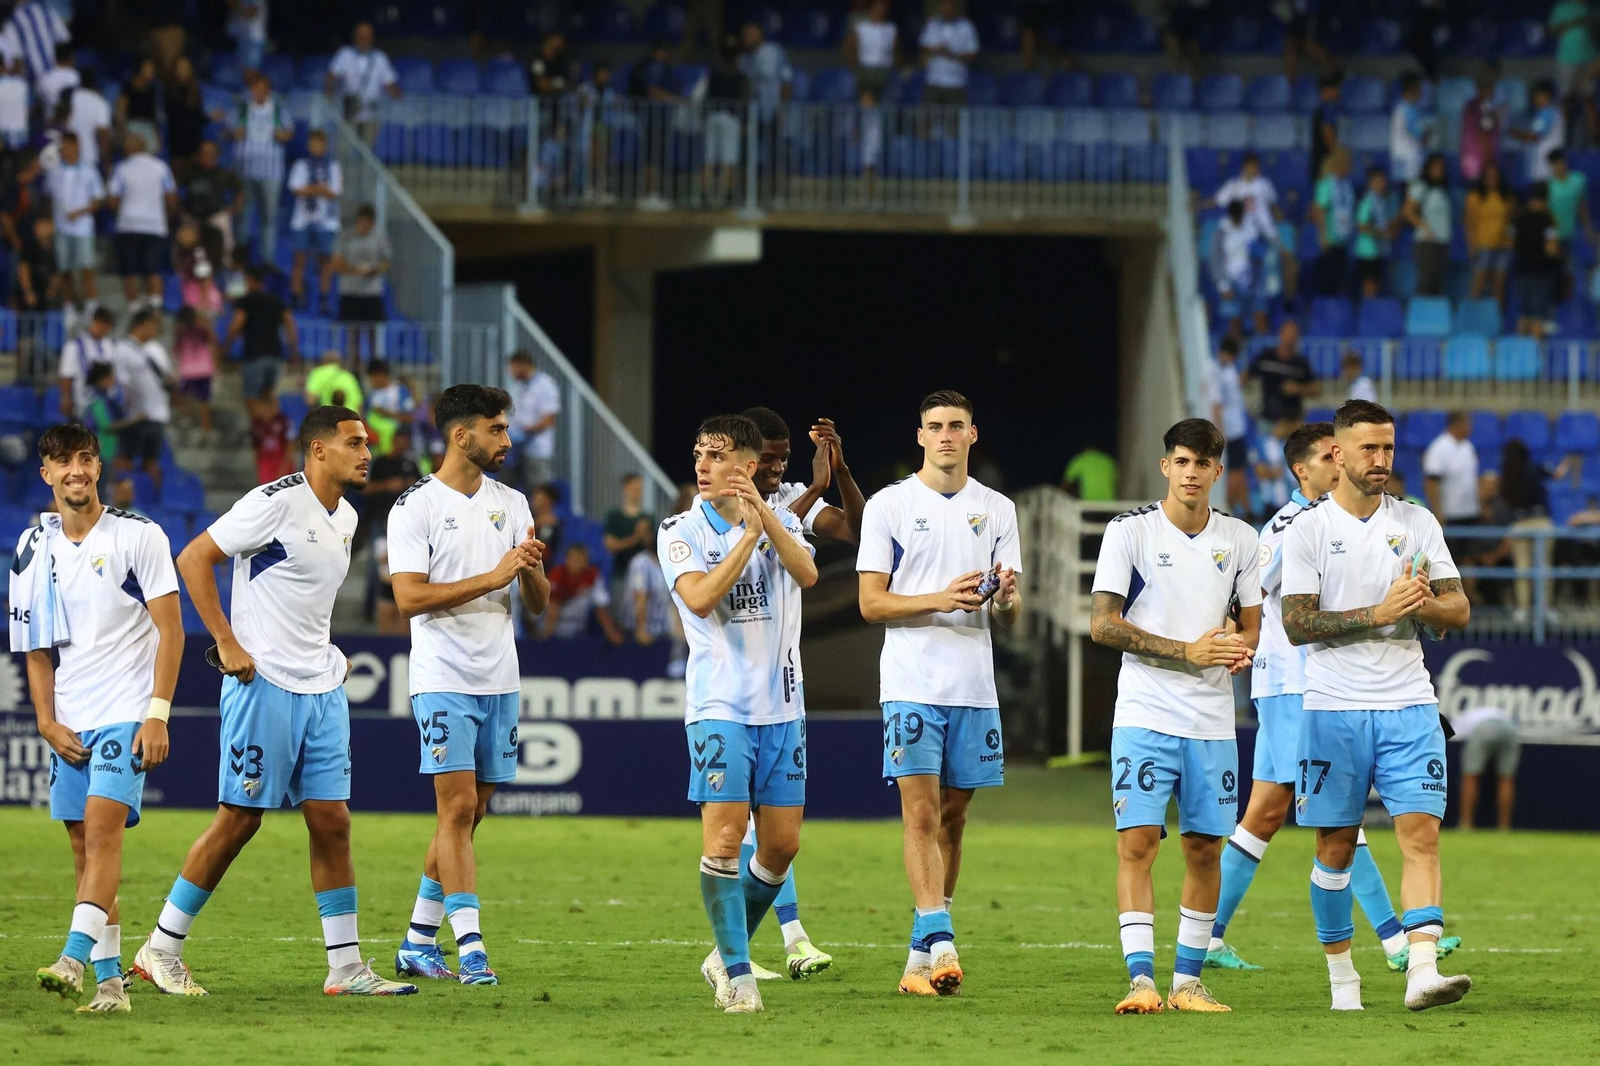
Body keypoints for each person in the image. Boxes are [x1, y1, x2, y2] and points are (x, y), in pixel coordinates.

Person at [130, 406, 418, 998]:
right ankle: (158, 949)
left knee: (332, 821)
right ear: (318, 449)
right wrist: (227, 641)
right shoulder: (273, 502)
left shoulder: (349, 516)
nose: (368, 453)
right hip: (264, 685)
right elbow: (194, 559)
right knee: (240, 820)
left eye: (366, 444)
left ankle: (345, 967)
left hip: (322, 686)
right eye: (355, 443)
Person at [1206, 422, 1457, 974]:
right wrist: (1229, 642)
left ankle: (1208, 932)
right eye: (1327, 456)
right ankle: (1395, 938)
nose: (1338, 464)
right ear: (1306, 468)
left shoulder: (1388, 520)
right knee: (1336, 815)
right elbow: (1244, 591)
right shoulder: (1292, 526)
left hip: (1303, 683)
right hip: (1298, 682)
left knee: (1266, 814)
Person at [1280, 399, 1472, 1012]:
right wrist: (1378, 613)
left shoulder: (1417, 522)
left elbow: (1459, 608)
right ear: (1337, 453)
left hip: (1409, 702)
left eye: (1389, 448)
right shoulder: (1309, 529)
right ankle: (1343, 981)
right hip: (1333, 706)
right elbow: (1297, 624)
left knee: (1422, 836)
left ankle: (1421, 972)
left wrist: (1418, 605)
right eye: (1370, 448)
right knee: (1335, 847)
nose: (1382, 459)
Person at [1090, 417, 1260, 1015]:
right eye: (1180, 462)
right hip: (1144, 712)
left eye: (1202, 464)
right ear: (1166, 466)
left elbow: (1252, 623)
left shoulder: (1242, 539)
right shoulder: (1129, 532)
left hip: (1211, 720)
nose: (1191, 474)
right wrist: (1184, 650)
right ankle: (1141, 980)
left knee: (1205, 850)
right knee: (1137, 843)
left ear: (1218, 471)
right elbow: (1102, 624)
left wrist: (1239, 645)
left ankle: (1187, 982)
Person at [857, 391, 1020, 998]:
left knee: (954, 819)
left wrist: (1005, 600)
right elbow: (871, 603)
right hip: (912, 684)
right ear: (919, 435)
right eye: (934, 427)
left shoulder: (998, 509)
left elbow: (1009, 613)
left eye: (956, 426)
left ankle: (917, 962)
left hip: (974, 687)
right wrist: (939, 598)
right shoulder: (890, 506)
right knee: (920, 813)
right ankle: (943, 936)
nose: (945, 436)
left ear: (973, 434)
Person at [17, 422, 182, 1014]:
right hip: (71, 719)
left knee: (104, 831)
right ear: (47, 474)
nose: (76, 471)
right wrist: (45, 721)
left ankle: (71, 957)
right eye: (62, 462)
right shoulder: (31, 547)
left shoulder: (140, 536)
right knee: (85, 850)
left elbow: (171, 629)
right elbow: (35, 649)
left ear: (98, 466)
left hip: (126, 713)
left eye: (85, 458)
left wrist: (156, 715)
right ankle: (112, 986)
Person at [387, 384, 549, 986]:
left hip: (499, 676)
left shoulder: (513, 502)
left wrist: (530, 571)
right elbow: (408, 598)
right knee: (454, 807)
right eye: (497, 429)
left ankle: (415, 941)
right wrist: (493, 576)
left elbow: (537, 604)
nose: (507, 439)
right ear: (462, 435)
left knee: (473, 811)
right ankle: (472, 946)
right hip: (443, 675)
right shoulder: (414, 508)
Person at [660, 412, 818, 1014]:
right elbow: (699, 599)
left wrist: (766, 522)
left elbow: (806, 571)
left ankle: (723, 952)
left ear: (748, 468)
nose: (702, 465)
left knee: (780, 848)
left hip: (783, 706)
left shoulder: (785, 520)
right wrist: (747, 537)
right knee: (726, 839)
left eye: (717, 455)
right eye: (699, 453)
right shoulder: (679, 529)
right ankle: (738, 976)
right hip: (719, 704)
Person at [744, 406, 865, 544]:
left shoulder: (793, 495)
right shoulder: (723, 500)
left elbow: (858, 534)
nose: (778, 468)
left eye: (784, 458)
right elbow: (763, 548)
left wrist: (841, 471)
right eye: (766, 459)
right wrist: (816, 488)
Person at [107, 132, 177, 313]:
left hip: (128, 225)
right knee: (154, 270)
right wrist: (164, 216)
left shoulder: (121, 168)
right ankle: (155, 307)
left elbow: (113, 201)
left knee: (129, 271)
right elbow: (171, 198)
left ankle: (133, 309)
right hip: (155, 226)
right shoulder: (161, 167)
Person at [232, 73, 293, 265]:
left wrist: (278, 133)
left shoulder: (277, 110)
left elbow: (288, 133)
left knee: (269, 216)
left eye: (261, 89)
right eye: (254, 88)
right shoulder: (243, 109)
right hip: (245, 170)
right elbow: (231, 131)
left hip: (271, 171)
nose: (257, 92)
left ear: (268, 91)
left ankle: (267, 259)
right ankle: (240, 255)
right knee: (243, 212)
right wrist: (237, 132)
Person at [111, 309, 173, 489]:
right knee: (126, 459)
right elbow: (121, 383)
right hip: (136, 417)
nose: (156, 331)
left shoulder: (150, 351)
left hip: (157, 416)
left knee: (151, 461)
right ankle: (112, 494)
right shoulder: (122, 349)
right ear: (143, 325)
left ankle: (155, 501)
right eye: (154, 326)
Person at [46, 131, 103, 326]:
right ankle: (69, 307)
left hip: (83, 228)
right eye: (63, 147)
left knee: (86, 269)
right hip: (61, 228)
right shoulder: (55, 171)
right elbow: (48, 198)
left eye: (68, 146)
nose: (65, 150)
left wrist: (80, 212)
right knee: (64, 270)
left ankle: (91, 306)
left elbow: (97, 201)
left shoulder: (89, 171)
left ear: (77, 146)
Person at [286, 129, 342, 312]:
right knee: (299, 259)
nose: (316, 147)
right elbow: (297, 190)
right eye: (313, 143)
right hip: (302, 219)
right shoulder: (301, 165)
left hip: (326, 220)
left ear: (325, 145)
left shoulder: (334, 166)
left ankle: (324, 298)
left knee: (325, 261)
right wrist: (319, 188)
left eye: (320, 143)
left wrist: (311, 189)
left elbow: (333, 193)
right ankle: (295, 295)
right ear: (309, 145)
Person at [225, 265, 299, 400]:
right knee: (268, 396)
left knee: (251, 398)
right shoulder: (276, 301)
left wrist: (226, 347)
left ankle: (260, 421)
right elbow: (291, 326)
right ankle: (275, 421)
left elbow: (236, 325)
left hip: (254, 355)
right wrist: (294, 352)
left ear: (249, 280)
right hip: (275, 355)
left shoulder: (246, 301)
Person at [331, 204, 390, 361]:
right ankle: (354, 363)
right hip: (350, 290)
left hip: (371, 291)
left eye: (370, 223)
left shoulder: (379, 237)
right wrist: (355, 270)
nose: (366, 226)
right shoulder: (346, 236)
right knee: (353, 331)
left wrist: (374, 270)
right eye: (364, 222)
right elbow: (336, 263)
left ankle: (374, 362)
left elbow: (386, 262)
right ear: (359, 221)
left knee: (372, 330)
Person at [325, 21, 401, 141]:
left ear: (372, 37)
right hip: (349, 112)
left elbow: (391, 85)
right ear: (355, 36)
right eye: (360, 35)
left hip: (371, 114)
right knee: (343, 152)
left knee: (368, 153)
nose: (363, 38)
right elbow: (331, 77)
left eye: (366, 35)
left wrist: (402, 100)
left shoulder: (380, 58)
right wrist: (330, 94)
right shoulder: (345, 54)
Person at [1424, 412, 1481, 561]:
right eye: (1468, 423)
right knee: (1451, 563)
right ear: (1458, 423)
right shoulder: (1439, 448)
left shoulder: (1468, 447)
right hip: (1450, 516)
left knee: (1470, 560)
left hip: (1470, 513)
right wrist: (1438, 511)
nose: (1471, 427)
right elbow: (1431, 483)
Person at [1452, 705, 1520, 831]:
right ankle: (1504, 827)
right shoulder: (1498, 712)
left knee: (1470, 776)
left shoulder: (1462, 718)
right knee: (1506, 778)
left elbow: (1453, 737)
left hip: (1484, 728)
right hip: (1509, 728)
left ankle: (1466, 825)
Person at [179, 140, 242, 271]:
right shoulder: (190, 172)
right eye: (203, 154)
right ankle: (184, 270)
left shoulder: (223, 173)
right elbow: (173, 191)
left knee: (227, 244)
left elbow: (240, 191)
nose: (206, 157)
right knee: (183, 237)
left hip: (216, 215)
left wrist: (234, 209)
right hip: (193, 216)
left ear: (216, 155)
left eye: (210, 154)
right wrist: (181, 210)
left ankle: (226, 270)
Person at [542, 542, 624, 643]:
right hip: (554, 628)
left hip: (579, 630)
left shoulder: (592, 576)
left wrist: (611, 632)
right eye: (576, 559)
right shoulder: (557, 575)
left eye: (583, 559)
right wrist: (546, 638)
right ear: (567, 560)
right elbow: (553, 609)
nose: (579, 562)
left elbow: (601, 608)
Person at [504, 349, 560, 492]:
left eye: (513, 368)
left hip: (537, 448)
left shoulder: (545, 385)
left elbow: (549, 419)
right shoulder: (517, 386)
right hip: (516, 447)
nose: (511, 372)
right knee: (508, 486)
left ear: (523, 365)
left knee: (538, 490)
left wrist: (526, 431)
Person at [1512, 181, 1562, 338]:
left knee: (1524, 316)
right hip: (1540, 273)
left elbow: (1508, 242)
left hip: (1521, 272)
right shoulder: (1548, 220)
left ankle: (1520, 357)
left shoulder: (1518, 218)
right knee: (1537, 318)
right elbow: (1551, 249)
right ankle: (1535, 359)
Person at [1210, 199, 1265, 339]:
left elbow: (1258, 254)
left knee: (1260, 315)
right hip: (1231, 281)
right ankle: (1235, 352)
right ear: (1230, 216)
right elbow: (1215, 260)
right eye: (1235, 217)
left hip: (1251, 280)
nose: (1238, 220)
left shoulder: (1251, 229)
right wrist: (1223, 286)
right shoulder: (1221, 232)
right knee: (1234, 321)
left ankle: (1260, 350)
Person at [702, 38, 746, 205]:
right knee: (729, 158)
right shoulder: (740, 76)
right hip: (730, 118)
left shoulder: (714, 73)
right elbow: (743, 98)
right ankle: (727, 196)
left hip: (713, 117)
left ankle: (706, 195)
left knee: (709, 158)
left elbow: (706, 96)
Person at [1545, 149, 1593, 299]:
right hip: (1554, 235)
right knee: (1555, 269)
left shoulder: (1578, 180)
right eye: (1555, 164)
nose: (1558, 167)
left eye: (1560, 163)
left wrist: (1588, 229)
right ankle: (1556, 301)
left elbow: (1582, 206)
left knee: (1573, 268)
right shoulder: (1549, 186)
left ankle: (1575, 300)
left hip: (1572, 232)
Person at [1210, 337, 1251, 515]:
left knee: (1238, 469)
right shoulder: (1217, 372)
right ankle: (1235, 507)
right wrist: (1220, 433)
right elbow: (1217, 405)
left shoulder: (1229, 370)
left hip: (1237, 427)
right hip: (1230, 430)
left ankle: (1238, 506)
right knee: (1235, 471)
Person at [1404, 153, 1452, 297]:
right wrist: (1424, 227)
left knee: (1437, 284)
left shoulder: (1442, 189)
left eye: (1442, 168)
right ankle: (1421, 317)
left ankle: (1435, 317)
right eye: (1436, 167)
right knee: (1426, 283)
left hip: (1442, 241)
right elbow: (1408, 211)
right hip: (1426, 242)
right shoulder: (1420, 186)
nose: (1439, 170)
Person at [1465, 160, 1513, 303]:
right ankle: (1471, 315)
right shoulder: (1475, 197)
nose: (1492, 179)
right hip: (1483, 245)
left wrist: (1511, 241)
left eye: (1495, 176)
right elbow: (1470, 223)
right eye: (1489, 176)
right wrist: (1472, 245)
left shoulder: (1506, 198)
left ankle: (1498, 320)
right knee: (1479, 284)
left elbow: (1511, 222)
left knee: (1499, 285)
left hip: (1503, 246)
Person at [1254, 319, 1318, 425]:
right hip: (1267, 421)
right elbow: (1247, 375)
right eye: (1287, 333)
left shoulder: (1301, 363)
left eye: (1293, 334)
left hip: (1291, 422)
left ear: (1297, 338)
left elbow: (1315, 390)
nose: (1289, 338)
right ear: (1280, 334)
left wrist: (1298, 388)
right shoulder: (1266, 357)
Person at [56, 306, 116, 417]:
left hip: (105, 403)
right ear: (96, 322)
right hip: (83, 403)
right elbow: (66, 376)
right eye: (104, 325)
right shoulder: (74, 346)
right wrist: (66, 399)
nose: (106, 330)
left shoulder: (109, 345)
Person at [1311, 149, 1354, 296]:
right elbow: (1320, 211)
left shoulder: (1347, 185)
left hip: (1343, 239)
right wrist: (1323, 236)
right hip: (1329, 239)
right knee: (1329, 280)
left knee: (1340, 280)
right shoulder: (1326, 184)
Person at [919, 0, 978, 106]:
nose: (945, 8)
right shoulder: (932, 24)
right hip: (934, 81)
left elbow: (973, 54)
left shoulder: (966, 26)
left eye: (948, 5)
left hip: (956, 83)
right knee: (926, 117)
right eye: (943, 5)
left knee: (953, 120)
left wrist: (951, 54)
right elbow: (923, 47)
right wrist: (937, 50)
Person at [0, 0, 69, 85]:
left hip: (35, 78)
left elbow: (17, 57)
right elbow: (64, 38)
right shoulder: (46, 11)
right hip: (58, 73)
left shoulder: (13, 20)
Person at [173, 305, 215, 436]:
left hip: (188, 369)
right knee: (204, 400)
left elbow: (177, 348)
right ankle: (205, 427)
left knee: (183, 394)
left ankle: (186, 417)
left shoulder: (180, 330)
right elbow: (212, 341)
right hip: (204, 368)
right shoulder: (203, 327)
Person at [1353, 166, 1394, 298]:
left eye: (1383, 181)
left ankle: (1372, 308)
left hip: (1379, 250)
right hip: (1368, 250)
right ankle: (1367, 309)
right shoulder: (1368, 201)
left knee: (1376, 283)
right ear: (1371, 183)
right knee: (1369, 284)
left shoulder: (1381, 201)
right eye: (1378, 182)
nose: (1382, 185)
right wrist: (1381, 233)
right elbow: (1361, 226)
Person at [1459, 64, 1503, 184]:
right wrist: (1489, 163)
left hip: (1469, 163)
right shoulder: (1485, 107)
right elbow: (1484, 135)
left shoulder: (1470, 105)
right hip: (1482, 165)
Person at [1513, 80, 1564, 184]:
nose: (1534, 99)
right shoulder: (1546, 113)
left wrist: (1512, 132)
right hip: (1543, 166)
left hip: (1545, 167)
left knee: (1541, 197)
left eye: (1536, 95)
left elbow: (1533, 136)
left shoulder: (1548, 113)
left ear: (1545, 95)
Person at [844, 0, 897, 100]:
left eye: (883, 8)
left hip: (885, 69)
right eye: (877, 8)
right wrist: (852, 64)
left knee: (885, 98)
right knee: (866, 99)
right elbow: (847, 46)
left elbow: (897, 51)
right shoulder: (862, 27)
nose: (880, 11)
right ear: (871, 10)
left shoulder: (891, 28)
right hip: (866, 69)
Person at [603, 473, 654, 576]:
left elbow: (653, 547)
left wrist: (645, 534)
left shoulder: (648, 518)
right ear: (625, 488)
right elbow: (610, 545)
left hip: (644, 574)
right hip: (621, 573)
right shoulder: (614, 516)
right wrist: (636, 537)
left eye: (639, 488)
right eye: (633, 487)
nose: (637, 491)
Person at [1549, 0, 1596, 111]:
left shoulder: (1593, 8)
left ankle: (1594, 128)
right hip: (1567, 58)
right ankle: (1562, 127)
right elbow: (1552, 30)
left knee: (1588, 98)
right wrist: (1575, 22)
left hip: (1589, 59)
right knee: (1565, 97)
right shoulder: (1562, 7)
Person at [164, 57, 208, 169]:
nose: (183, 71)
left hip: (194, 139)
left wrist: (210, 118)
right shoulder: (170, 90)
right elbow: (173, 115)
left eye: (186, 68)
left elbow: (198, 116)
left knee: (193, 174)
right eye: (180, 68)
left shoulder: (196, 90)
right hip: (177, 140)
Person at [66, 69, 112, 174]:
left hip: (66, 155)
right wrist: (107, 162)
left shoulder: (69, 97)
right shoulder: (100, 102)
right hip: (89, 158)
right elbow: (103, 134)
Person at [15, 213, 61, 312]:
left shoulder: (55, 249)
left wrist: (51, 291)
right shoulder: (29, 247)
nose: (39, 228)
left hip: (46, 296)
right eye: (38, 225)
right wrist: (28, 292)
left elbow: (56, 272)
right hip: (31, 294)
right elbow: (23, 270)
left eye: (44, 225)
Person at [1389, 73, 1429, 185]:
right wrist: (1424, 136)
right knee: (1407, 192)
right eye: (1418, 88)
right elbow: (1416, 134)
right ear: (1411, 89)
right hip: (1407, 161)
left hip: (1408, 159)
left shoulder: (1409, 108)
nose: (1421, 92)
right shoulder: (1404, 110)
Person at [247, 391, 291, 484]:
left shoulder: (283, 421)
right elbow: (255, 447)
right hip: (265, 461)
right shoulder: (256, 424)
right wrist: (258, 467)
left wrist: (285, 464)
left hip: (281, 458)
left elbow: (290, 444)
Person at [116, 57, 160, 151]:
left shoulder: (152, 89)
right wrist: (124, 135)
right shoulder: (128, 88)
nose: (151, 73)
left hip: (148, 128)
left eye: (152, 70)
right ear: (140, 70)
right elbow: (120, 112)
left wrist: (157, 134)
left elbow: (153, 115)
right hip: (132, 126)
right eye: (148, 70)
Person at [1309, 74, 1341, 188]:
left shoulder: (1321, 109)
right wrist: (1336, 155)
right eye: (1334, 89)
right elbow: (1327, 130)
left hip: (1319, 160)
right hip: (1324, 162)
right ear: (1325, 91)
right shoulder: (1328, 108)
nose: (1337, 92)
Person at [36, 42, 78, 123]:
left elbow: (39, 104)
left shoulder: (44, 79)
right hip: (71, 124)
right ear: (71, 58)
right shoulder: (76, 77)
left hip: (51, 124)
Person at [228, 0, 268, 74]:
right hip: (241, 38)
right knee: (242, 71)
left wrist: (234, 4)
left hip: (254, 40)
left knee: (251, 72)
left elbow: (251, 13)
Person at [528, 31, 571, 98]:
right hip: (537, 102)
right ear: (550, 40)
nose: (561, 42)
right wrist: (557, 83)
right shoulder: (537, 60)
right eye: (558, 38)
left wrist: (553, 83)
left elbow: (567, 84)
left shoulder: (561, 60)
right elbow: (543, 85)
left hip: (557, 102)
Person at [530, 482, 563, 562]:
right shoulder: (529, 519)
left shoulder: (551, 525)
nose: (534, 500)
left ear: (547, 500)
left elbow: (544, 552)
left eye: (538, 496)